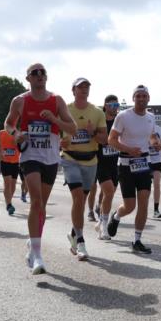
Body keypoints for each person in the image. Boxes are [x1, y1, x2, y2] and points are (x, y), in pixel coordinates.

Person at [4, 63, 78, 275]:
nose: (39, 76)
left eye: (42, 72)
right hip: (30, 156)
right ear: (28, 78)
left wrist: (54, 119)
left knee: (42, 207)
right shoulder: (20, 101)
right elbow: (8, 123)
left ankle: (32, 243)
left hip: (50, 157)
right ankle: (37, 254)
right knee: (36, 201)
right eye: (34, 73)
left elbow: (72, 128)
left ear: (47, 77)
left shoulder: (57, 100)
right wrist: (16, 134)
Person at [108, 85, 160, 253]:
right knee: (130, 206)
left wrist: (156, 144)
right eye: (138, 96)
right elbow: (111, 139)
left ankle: (137, 240)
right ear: (133, 98)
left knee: (144, 203)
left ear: (149, 98)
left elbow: (151, 136)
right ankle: (116, 216)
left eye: (144, 96)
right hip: (126, 164)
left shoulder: (151, 117)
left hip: (144, 164)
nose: (141, 99)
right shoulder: (123, 116)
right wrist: (129, 149)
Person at [60, 78, 108, 260]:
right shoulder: (65, 109)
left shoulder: (96, 112)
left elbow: (104, 139)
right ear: (73, 90)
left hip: (90, 160)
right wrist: (60, 142)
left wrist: (92, 133)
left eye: (87, 87)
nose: (84, 90)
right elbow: (54, 133)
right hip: (70, 158)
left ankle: (73, 233)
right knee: (78, 197)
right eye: (80, 87)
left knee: (81, 200)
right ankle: (80, 242)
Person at [93, 95, 121, 241]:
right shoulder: (100, 120)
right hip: (100, 161)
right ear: (105, 105)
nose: (114, 107)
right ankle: (103, 226)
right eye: (111, 104)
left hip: (115, 162)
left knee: (109, 194)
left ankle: (100, 220)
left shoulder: (119, 121)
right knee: (109, 191)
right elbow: (96, 137)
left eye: (116, 104)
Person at [0, 126, 21, 215]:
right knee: (7, 183)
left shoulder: (18, 132)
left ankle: (9, 201)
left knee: (13, 185)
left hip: (16, 161)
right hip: (5, 161)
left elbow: (21, 145)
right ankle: (9, 204)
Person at [149, 118, 161, 219]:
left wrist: (160, 145)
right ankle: (143, 208)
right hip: (146, 159)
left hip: (157, 159)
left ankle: (156, 210)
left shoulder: (158, 128)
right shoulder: (142, 128)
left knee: (157, 184)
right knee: (145, 187)